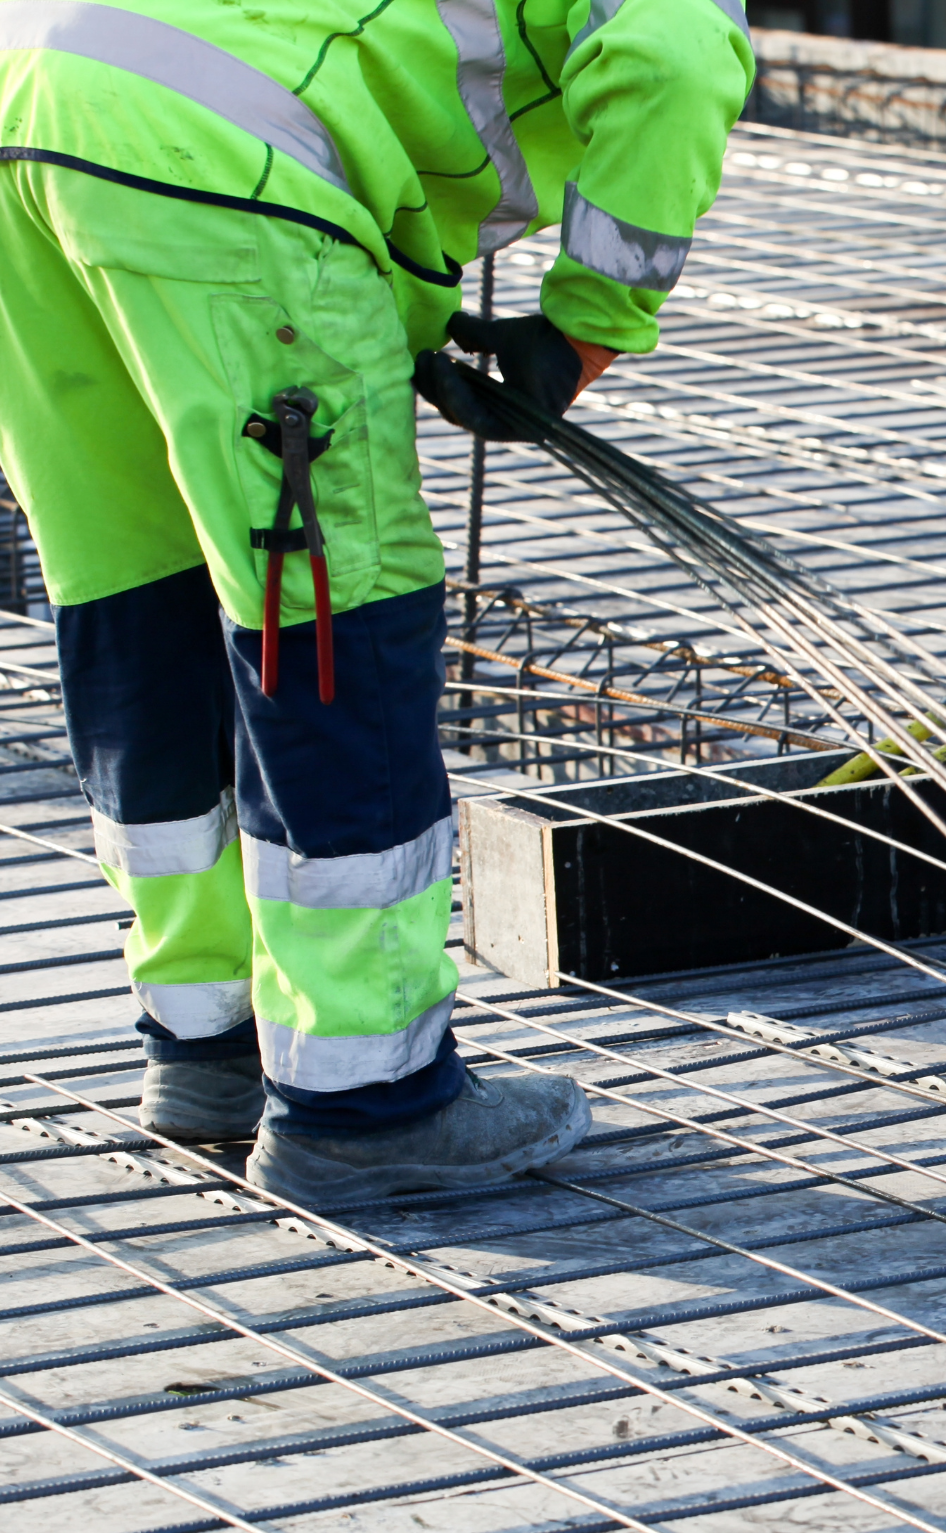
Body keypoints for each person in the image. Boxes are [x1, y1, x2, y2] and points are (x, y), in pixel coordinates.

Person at [0, 0, 754, 1208]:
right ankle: (366, 1104)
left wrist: (391, 305)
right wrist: (585, 332)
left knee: (139, 600)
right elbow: (671, 57)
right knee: (330, 619)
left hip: (28, 108)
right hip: (223, 162)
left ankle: (206, 1048)